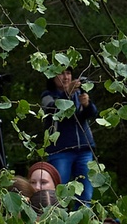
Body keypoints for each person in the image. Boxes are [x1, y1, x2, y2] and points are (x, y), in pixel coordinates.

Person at [41, 68, 97, 204]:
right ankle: (56, 217)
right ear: (52, 77)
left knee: (86, 195)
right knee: (58, 194)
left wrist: (87, 104)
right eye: (61, 73)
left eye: (68, 73)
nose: (66, 77)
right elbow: (53, 111)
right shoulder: (47, 96)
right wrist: (67, 93)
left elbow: (91, 114)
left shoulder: (78, 93)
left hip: (84, 149)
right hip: (60, 151)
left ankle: (83, 217)